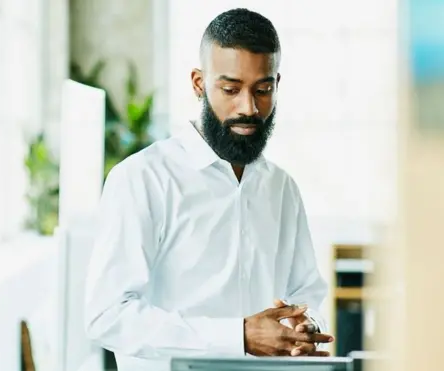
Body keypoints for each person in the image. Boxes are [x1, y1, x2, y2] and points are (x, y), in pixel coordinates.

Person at [84, 8, 335, 371]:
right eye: (230, 89)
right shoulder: (142, 179)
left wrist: (305, 326)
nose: (248, 107)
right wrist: (238, 336)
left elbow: (306, 294)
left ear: (277, 84)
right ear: (199, 83)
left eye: (262, 90)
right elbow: (108, 316)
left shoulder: (282, 188)